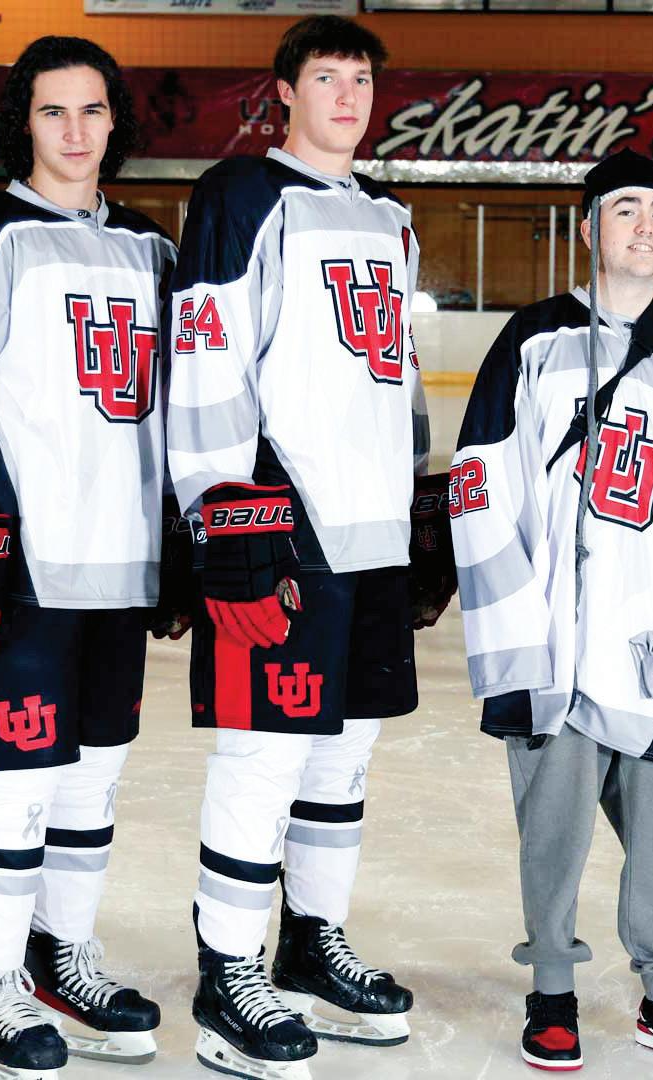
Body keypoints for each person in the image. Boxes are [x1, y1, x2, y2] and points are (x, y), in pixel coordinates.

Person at [0, 35, 177, 1079]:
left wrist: (184, 537)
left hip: (121, 563)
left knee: (91, 783)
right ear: (24, 122)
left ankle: (62, 958)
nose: (75, 130)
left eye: (93, 109)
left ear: (115, 122)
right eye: (53, 110)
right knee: (10, 780)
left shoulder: (152, 249)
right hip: (18, 562)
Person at [167, 15, 448, 1080]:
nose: (346, 95)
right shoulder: (242, 195)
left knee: (344, 753)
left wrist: (417, 506)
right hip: (284, 523)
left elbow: (396, 373)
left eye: (360, 79)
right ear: (283, 92)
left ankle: (309, 945)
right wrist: (222, 512)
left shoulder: (388, 215)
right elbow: (206, 352)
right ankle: (228, 971)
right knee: (264, 755)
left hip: (372, 533)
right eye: (325, 77)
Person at [450, 149, 653, 1075]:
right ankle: (551, 988)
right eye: (625, 209)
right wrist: (515, 628)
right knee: (554, 833)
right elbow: (479, 484)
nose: (645, 226)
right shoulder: (532, 340)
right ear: (588, 228)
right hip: (554, 648)